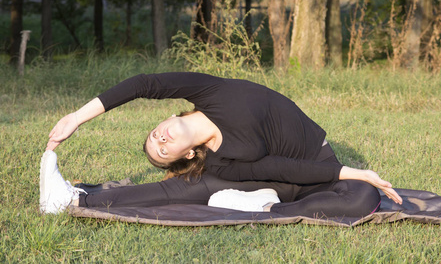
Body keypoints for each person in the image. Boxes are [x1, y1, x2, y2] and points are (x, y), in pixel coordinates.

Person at [41, 72, 402, 216]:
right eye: (162, 152)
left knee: (362, 195)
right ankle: (73, 200)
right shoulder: (222, 161)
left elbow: (143, 84)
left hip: (317, 163)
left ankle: (257, 207)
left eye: (156, 136)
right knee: (193, 187)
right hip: (285, 183)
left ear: (168, 118)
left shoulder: (212, 92)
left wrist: (77, 117)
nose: (161, 140)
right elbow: (278, 169)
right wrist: (360, 173)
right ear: (188, 154)